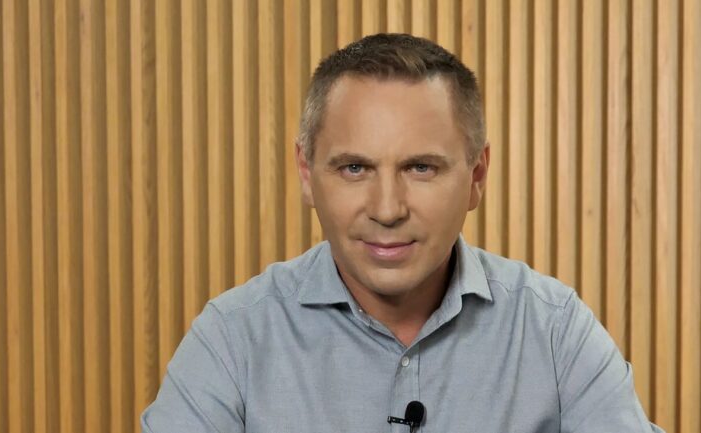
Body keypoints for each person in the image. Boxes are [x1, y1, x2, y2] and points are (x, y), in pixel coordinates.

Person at [141, 33, 663, 433]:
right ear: (306, 173)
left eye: (420, 168)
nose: (387, 209)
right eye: (354, 168)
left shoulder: (555, 331)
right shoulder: (232, 340)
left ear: (476, 176)